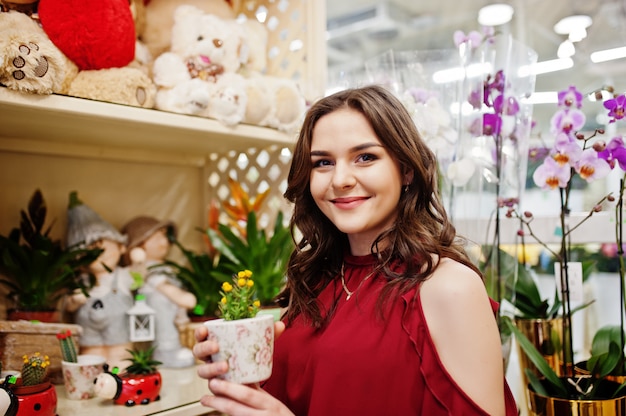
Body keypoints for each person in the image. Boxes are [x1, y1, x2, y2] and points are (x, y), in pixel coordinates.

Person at [192, 85, 518, 415]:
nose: (341, 179)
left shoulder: (449, 287)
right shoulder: (314, 282)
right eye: (323, 162)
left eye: (365, 157)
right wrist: (245, 385)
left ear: (406, 169)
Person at [64, 192, 135, 370]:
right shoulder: (82, 280)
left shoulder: (122, 276)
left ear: (120, 247)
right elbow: (67, 307)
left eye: (104, 248)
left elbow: (140, 277)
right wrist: (73, 300)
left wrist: (139, 262)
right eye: (90, 252)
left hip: (119, 340)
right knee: (90, 359)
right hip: (90, 341)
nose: (99, 256)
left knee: (121, 359)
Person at [122, 216, 197, 368]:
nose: (165, 242)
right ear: (140, 245)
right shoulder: (149, 271)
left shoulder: (165, 268)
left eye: (164, 236)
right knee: (157, 301)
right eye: (157, 237)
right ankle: (166, 350)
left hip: (176, 323)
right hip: (160, 330)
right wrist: (184, 298)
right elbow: (173, 292)